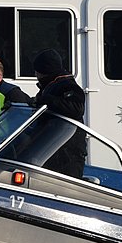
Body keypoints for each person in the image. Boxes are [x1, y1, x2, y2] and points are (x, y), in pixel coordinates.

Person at [32, 48, 87, 177]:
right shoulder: (49, 86)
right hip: (52, 149)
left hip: (68, 153)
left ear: (45, 71)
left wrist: (47, 100)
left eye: (38, 71)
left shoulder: (67, 85)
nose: (36, 74)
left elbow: (77, 109)